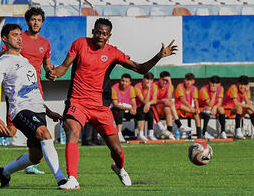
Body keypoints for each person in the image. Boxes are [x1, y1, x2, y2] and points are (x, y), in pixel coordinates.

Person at [47, 18, 177, 190]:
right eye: (98, 32)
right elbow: (64, 66)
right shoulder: (79, 44)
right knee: (72, 131)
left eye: (104, 34)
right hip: (77, 102)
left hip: (100, 107)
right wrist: (54, 73)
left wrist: (159, 56)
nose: (100, 36)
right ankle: (72, 178)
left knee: (117, 150)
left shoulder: (113, 53)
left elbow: (140, 68)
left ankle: (119, 167)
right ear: (93, 31)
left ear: (109, 36)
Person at [0, 23, 66, 188]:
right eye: (14, 35)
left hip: (38, 109)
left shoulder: (25, 61)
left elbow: (34, 91)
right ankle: (62, 179)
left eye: (20, 35)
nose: (19, 38)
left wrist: (48, 111)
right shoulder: (3, 61)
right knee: (45, 134)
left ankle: (4, 172)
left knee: (36, 157)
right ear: (5, 39)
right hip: (20, 110)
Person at [0, 7, 52, 174]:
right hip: (18, 93)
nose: (36, 23)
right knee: (12, 130)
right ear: (28, 22)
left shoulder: (45, 43)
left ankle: (30, 163)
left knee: (39, 134)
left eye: (39, 20)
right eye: (33, 20)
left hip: (36, 92)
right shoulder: (18, 38)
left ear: (42, 22)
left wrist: (51, 73)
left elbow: (47, 66)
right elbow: (2, 56)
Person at [154, 71, 191, 139]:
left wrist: (170, 82)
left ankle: (169, 133)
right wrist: (163, 101)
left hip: (165, 107)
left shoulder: (169, 86)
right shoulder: (155, 86)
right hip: (155, 107)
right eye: (163, 80)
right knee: (170, 104)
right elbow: (153, 101)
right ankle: (179, 125)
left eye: (166, 80)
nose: (165, 82)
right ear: (160, 79)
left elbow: (168, 97)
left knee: (168, 108)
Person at [134, 72, 168, 141]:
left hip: (149, 108)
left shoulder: (154, 86)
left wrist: (148, 104)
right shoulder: (138, 86)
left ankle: (150, 134)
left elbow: (154, 100)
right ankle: (142, 133)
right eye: (147, 79)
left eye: (150, 80)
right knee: (146, 110)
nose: (148, 81)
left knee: (151, 111)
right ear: (143, 79)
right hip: (138, 108)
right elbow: (143, 101)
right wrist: (149, 90)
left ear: (152, 81)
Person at [174, 73, 202, 139]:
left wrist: (197, 108)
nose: (188, 82)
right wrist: (191, 108)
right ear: (184, 80)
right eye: (187, 80)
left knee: (196, 115)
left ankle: (199, 135)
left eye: (190, 80)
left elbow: (195, 100)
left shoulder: (194, 88)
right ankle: (181, 133)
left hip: (188, 110)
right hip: (178, 110)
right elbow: (182, 99)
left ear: (193, 81)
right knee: (182, 106)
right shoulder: (180, 86)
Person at [111, 73, 137, 142]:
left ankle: (141, 134)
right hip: (115, 109)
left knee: (140, 112)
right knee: (120, 112)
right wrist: (128, 108)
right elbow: (115, 104)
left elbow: (133, 102)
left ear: (130, 82)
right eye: (123, 81)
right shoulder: (114, 88)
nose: (124, 83)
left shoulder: (131, 88)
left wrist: (134, 109)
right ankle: (119, 133)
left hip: (128, 110)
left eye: (126, 81)